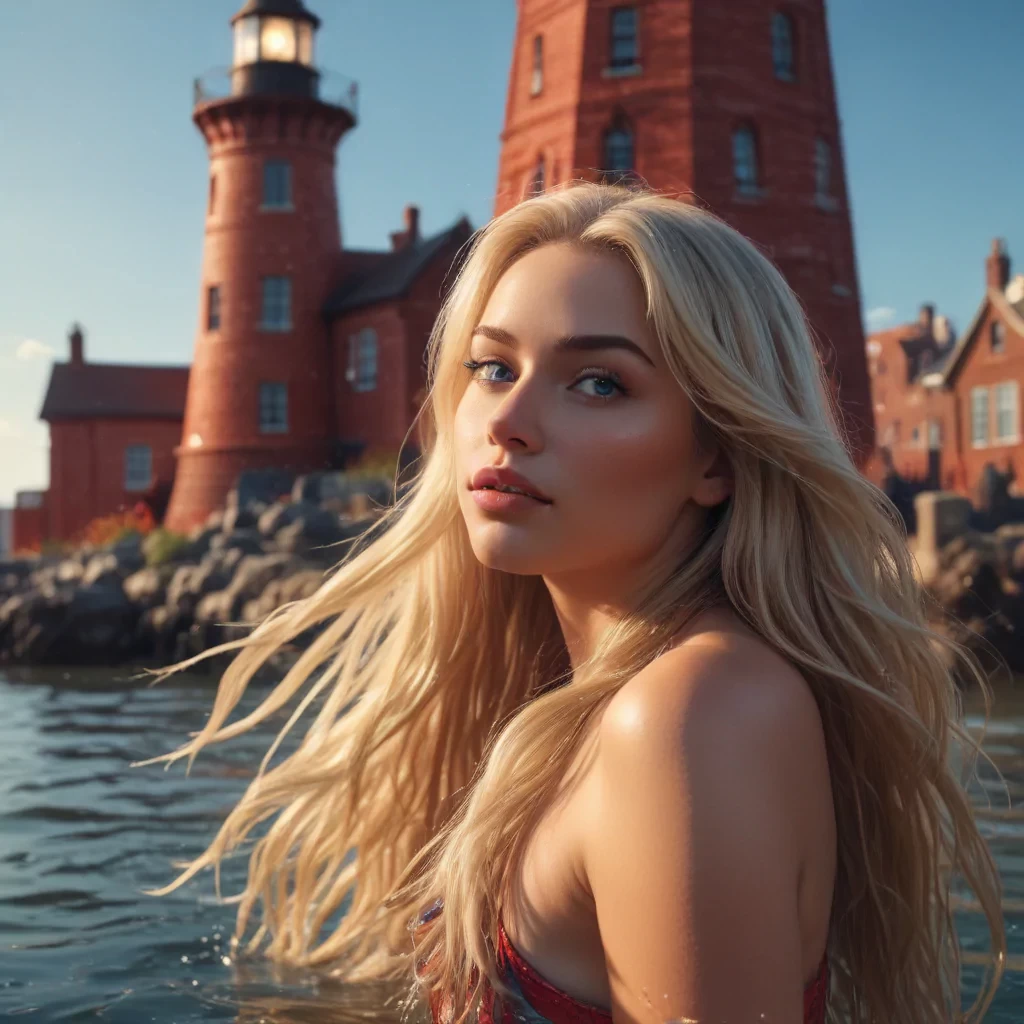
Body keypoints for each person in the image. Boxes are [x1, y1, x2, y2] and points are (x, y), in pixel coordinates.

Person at [139, 182, 1006, 1023]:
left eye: (599, 382)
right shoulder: (606, 696)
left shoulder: (692, 716)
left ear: (720, 456)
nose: (507, 418)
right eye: (492, 366)